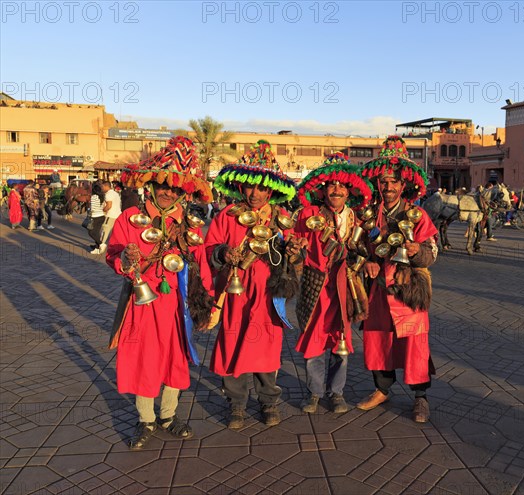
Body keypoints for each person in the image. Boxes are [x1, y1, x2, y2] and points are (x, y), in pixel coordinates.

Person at [105, 136, 214, 450]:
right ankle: (145, 419)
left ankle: (168, 415)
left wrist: (207, 301)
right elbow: (112, 254)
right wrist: (123, 260)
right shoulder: (129, 219)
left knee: (174, 358)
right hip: (141, 304)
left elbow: (202, 265)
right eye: (162, 186)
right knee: (142, 358)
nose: (168, 192)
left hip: (177, 307)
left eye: (175, 188)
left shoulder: (190, 227)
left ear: (183, 191)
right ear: (151, 186)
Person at [204, 140, 298, 429]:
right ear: (241, 186)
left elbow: (293, 259)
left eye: (261, 188)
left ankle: (269, 402)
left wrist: (294, 252)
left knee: (267, 347)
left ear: (271, 189)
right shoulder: (227, 216)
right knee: (233, 343)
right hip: (236, 294)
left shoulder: (282, 221)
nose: (254, 193)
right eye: (249, 187)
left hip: (268, 295)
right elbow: (209, 249)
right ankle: (237, 405)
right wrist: (223, 253)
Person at [356, 135, 439, 423]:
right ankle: (382, 389)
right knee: (377, 339)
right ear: (377, 184)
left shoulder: (417, 216)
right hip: (378, 291)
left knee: (415, 345)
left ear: (403, 185)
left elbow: (432, 253)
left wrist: (417, 252)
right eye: (383, 182)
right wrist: (367, 261)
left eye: (393, 182)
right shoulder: (368, 217)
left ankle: (420, 397)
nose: (388, 187)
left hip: (408, 291)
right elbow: (357, 249)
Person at [293, 153, 373, 414]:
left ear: (349, 191)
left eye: (341, 185)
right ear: (323, 189)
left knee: (342, 340)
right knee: (314, 339)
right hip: (317, 285)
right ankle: (314, 392)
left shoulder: (357, 219)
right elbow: (294, 245)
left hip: (345, 287)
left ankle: (336, 392)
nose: (336, 190)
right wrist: (297, 247)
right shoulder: (309, 214)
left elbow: (365, 250)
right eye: (331, 185)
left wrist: (362, 262)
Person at [99, 180, 122, 253]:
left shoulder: (108, 194)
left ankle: (102, 246)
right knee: (115, 232)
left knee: (104, 230)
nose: (101, 188)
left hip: (111, 215)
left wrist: (103, 210)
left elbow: (109, 206)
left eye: (102, 187)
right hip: (118, 215)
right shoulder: (115, 193)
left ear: (106, 186)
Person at [89, 181, 106, 254]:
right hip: (101, 216)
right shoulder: (102, 197)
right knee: (96, 232)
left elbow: (92, 208)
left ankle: (101, 244)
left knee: (91, 232)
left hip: (95, 216)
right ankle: (97, 248)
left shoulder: (93, 197)